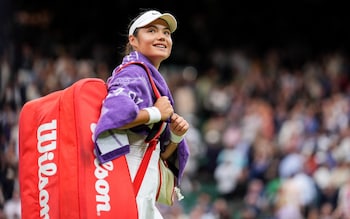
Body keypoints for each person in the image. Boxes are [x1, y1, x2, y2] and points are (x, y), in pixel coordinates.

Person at [93, 9, 190, 219]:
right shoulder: (132, 71)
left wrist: (175, 136)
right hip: (125, 183)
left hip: (140, 184)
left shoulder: (149, 77)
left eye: (166, 32)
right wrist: (155, 112)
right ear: (134, 40)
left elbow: (160, 154)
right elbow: (115, 116)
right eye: (152, 30)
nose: (162, 36)